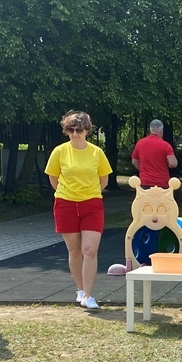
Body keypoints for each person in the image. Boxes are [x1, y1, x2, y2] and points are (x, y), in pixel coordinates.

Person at [45, 111, 112, 311]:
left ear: (87, 131)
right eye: (71, 130)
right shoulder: (59, 151)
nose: (75, 134)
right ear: (66, 131)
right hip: (65, 203)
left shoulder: (96, 152)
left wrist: (90, 193)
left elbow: (104, 179)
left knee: (89, 250)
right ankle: (80, 290)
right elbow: (53, 178)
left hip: (92, 204)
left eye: (79, 130)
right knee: (74, 250)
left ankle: (89, 295)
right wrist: (67, 193)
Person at [131, 119, 178, 188]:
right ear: (161, 131)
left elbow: (134, 161)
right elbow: (173, 164)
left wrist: (144, 170)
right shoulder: (166, 145)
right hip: (162, 183)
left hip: (144, 182)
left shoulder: (140, 143)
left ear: (151, 130)